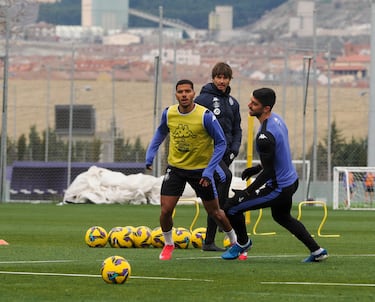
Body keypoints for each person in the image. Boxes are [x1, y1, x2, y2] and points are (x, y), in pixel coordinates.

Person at [221, 87, 328, 263]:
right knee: (282, 216)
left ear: (266, 108)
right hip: (291, 180)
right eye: (251, 101)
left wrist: (247, 192)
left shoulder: (264, 135)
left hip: (279, 187)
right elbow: (275, 157)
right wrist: (256, 169)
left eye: (254, 104)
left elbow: (269, 171)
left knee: (231, 208)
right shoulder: (277, 120)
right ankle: (317, 251)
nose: (249, 105)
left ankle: (242, 243)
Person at [145, 79, 237, 260]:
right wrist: (150, 154)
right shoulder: (169, 113)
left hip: (200, 171)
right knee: (165, 211)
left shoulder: (205, 116)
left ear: (194, 94)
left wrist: (209, 170)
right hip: (176, 169)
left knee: (215, 212)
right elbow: (160, 132)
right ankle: (169, 244)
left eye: (188, 91)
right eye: (180, 92)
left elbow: (221, 143)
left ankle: (235, 242)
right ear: (176, 94)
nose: (184, 95)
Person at [194, 62, 242, 253]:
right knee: (225, 179)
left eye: (225, 78)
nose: (221, 81)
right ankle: (222, 219)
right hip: (208, 155)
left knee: (214, 197)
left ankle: (209, 240)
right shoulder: (203, 99)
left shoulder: (233, 103)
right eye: (218, 77)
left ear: (230, 80)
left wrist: (234, 150)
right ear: (213, 78)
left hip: (226, 156)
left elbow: (237, 129)